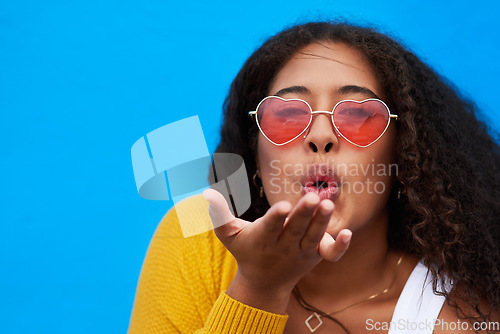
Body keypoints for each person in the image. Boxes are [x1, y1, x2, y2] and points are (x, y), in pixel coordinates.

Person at [128, 21, 500, 333]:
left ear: (405, 153)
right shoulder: (198, 237)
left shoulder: (467, 316)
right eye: (288, 114)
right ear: (256, 155)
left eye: (357, 115)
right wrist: (258, 288)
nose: (321, 136)